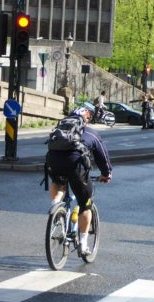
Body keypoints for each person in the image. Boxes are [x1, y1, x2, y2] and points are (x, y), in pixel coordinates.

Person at [47, 107, 112, 256]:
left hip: (53, 163)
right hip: (75, 167)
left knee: (58, 183)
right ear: (86, 120)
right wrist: (106, 174)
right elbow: (102, 157)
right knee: (85, 203)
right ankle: (83, 244)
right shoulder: (91, 133)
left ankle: (56, 208)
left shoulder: (58, 129)